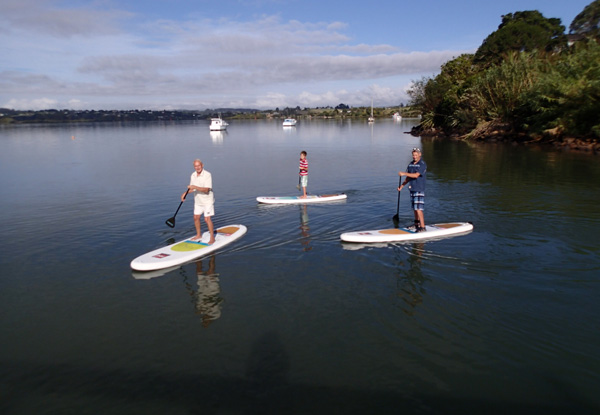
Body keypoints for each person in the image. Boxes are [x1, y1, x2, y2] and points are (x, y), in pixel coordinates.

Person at [182, 159, 215, 244]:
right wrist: (185, 193)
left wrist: (194, 186)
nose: (197, 167)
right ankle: (198, 235)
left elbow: (207, 190)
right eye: (195, 166)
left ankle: (212, 237)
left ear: (202, 165)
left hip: (207, 200)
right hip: (198, 200)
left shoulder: (207, 174)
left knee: (207, 219)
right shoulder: (193, 175)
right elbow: (192, 189)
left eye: (199, 165)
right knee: (196, 217)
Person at [398, 148, 427, 232]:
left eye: (416, 155)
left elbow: (416, 175)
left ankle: (423, 227)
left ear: (419, 155)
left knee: (419, 208)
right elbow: (408, 177)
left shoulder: (422, 164)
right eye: (413, 155)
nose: (414, 157)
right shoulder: (410, 164)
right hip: (412, 189)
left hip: (419, 189)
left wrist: (404, 173)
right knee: (414, 208)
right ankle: (416, 224)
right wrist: (402, 186)